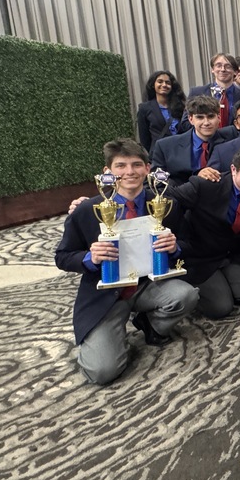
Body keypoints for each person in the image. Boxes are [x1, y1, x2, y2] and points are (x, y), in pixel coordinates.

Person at [54, 138, 198, 385]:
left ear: (147, 169)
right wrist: (90, 257)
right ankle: (111, 335)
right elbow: (62, 256)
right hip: (107, 294)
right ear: (107, 172)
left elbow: (189, 244)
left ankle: (150, 324)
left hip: (148, 285)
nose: (130, 172)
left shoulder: (164, 204)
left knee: (186, 295)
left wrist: (175, 247)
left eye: (136, 165)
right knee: (102, 371)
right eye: (121, 166)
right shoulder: (89, 210)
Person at [169, 146, 240, 319]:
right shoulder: (206, 185)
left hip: (231, 255)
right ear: (234, 169)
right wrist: (175, 243)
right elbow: (169, 199)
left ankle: (222, 279)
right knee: (220, 308)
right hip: (199, 256)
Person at [151, 95, 230, 186]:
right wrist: (195, 179)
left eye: (211, 116)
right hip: (182, 192)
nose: (206, 123)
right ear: (191, 119)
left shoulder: (231, 140)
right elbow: (156, 181)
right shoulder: (165, 146)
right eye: (200, 117)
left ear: (219, 118)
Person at [189, 53, 240, 127]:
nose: (223, 69)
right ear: (212, 69)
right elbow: (185, 123)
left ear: (235, 72)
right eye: (218, 66)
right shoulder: (196, 93)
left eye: (228, 66)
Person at [136, 70, 187, 152]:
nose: (164, 85)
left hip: (181, 151)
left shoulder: (181, 107)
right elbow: (144, 139)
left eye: (168, 83)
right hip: (159, 153)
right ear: (153, 85)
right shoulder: (144, 108)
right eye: (160, 82)